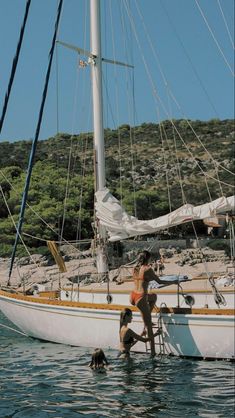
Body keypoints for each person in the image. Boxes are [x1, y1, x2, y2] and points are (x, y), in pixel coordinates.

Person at [130, 250, 176, 357]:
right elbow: (159, 282)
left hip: (132, 296)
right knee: (149, 327)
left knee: (153, 296)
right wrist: (173, 282)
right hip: (141, 298)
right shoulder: (147, 269)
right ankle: (153, 353)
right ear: (148, 259)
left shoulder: (135, 268)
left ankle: (147, 320)